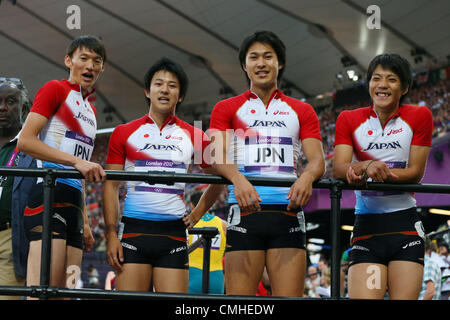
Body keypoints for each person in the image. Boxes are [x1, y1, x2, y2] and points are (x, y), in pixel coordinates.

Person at [103, 57, 254, 293]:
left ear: (180, 95)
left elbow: (220, 177)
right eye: (158, 84)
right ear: (147, 90)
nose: (164, 89)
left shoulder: (194, 134)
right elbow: (110, 186)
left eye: (172, 85)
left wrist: (197, 213)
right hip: (133, 232)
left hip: (173, 235)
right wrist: (111, 235)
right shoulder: (123, 132)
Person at [208, 30, 325, 297]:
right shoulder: (225, 108)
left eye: (268, 57)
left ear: (279, 63)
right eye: (254, 57)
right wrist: (238, 179)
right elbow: (216, 156)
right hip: (245, 211)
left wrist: (306, 178)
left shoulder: (302, 110)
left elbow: (317, 160)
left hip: (288, 213)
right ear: (244, 65)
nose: (261, 63)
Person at [333, 53, 433, 299]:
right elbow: (338, 168)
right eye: (376, 78)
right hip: (367, 228)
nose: (383, 85)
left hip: (405, 227)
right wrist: (366, 165)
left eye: (391, 79)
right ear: (368, 84)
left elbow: (415, 173)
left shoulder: (420, 116)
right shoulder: (348, 118)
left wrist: (377, 171)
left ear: (405, 87)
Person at [17, 35, 107, 297]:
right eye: (84, 58)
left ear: (102, 68)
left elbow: (80, 171)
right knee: (42, 293)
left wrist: (87, 221)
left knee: (67, 293)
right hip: (47, 196)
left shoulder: (91, 111)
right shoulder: (55, 89)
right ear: (69, 61)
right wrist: (76, 161)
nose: (90, 66)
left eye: (97, 61)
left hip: (74, 208)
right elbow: (26, 141)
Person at [0, 77, 36, 299]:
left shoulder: (33, 145)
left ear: (24, 108)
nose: (2, 107)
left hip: (9, 238)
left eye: (10, 101)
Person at [187, 190, 227, 294]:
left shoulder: (188, 224)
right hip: (216, 274)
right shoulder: (223, 224)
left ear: (191, 206)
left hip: (193, 273)